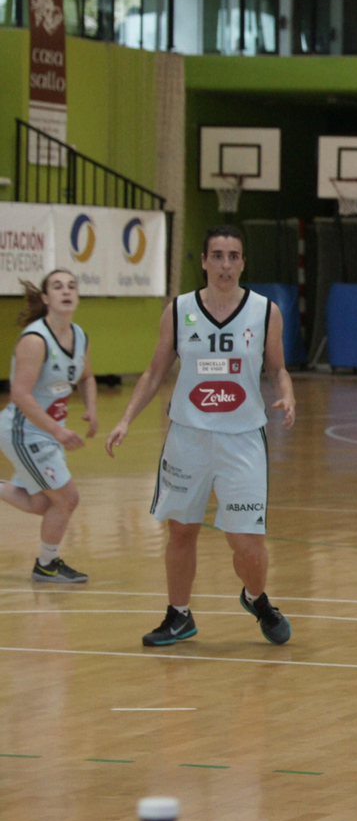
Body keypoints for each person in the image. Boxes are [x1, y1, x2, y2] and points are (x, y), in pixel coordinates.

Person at [105, 224, 295, 648]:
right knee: (181, 532)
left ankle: (256, 597)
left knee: (248, 546)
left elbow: (277, 367)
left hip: (242, 438)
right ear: (205, 261)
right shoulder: (179, 309)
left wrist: (287, 394)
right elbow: (155, 372)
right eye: (218, 255)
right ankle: (179, 615)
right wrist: (125, 419)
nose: (225, 264)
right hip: (188, 436)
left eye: (233, 256)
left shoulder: (266, 312)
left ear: (243, 262)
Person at [0, 270, 95, 583]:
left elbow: (86, 376)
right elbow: (20, 394)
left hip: (45, 431)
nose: (66, 291)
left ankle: (47, 563)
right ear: (45, 298)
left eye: (71, 286)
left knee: (45, 502)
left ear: (77, 296)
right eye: (57, 287)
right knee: (68, 499)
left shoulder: (80, 335)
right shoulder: (35, 339)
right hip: (24, 430)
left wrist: (91, 409)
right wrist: (56, 430)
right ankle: (46, 565)